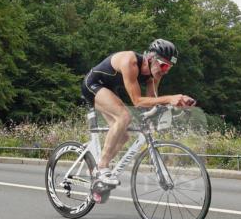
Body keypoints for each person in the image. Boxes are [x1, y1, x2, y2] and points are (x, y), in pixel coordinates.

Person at [81, 39, 196, 187]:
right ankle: (102, 168)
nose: (165, 71)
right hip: (93, 84)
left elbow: (151, 102)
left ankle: (96, 169)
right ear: (151, 58)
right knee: (124, 117)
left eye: (169, 68)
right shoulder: (130, 61)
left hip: (109, 90)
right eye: (164, 65)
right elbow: (137, 101)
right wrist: (170, 98)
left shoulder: (155, 74)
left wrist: (176, 105)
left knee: (123, 136)